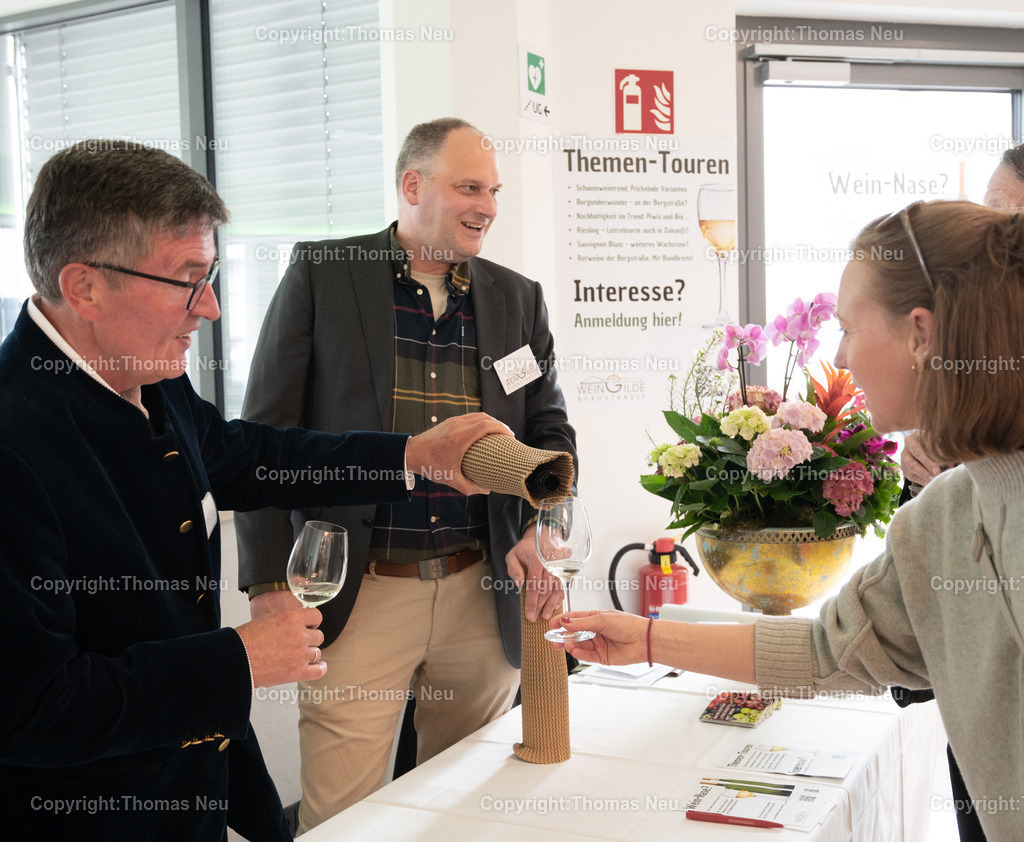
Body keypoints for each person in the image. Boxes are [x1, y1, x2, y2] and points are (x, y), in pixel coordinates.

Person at [0, 139, 508, 840]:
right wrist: (236, 659)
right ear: (84, 285)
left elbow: (252, 455)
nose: (208, 309)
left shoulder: (149, 375)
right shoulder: (15, 440)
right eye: (187, 279)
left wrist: (413, 456)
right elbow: (31, 710)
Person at [551, 200, 1024, 841]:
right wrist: (647, 640)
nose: (840, 355)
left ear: (922, 334)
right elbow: (828, 651)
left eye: (851, 328)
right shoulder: (938, 519)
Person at [235, 117, 577, 830]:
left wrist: (539, 528)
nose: (486, 204)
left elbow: (550, 434)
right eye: (468, 186)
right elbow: (263, 443)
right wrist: (267, 586)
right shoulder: (323, 276)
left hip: (481, 597)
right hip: (362, 593)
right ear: (412, 185)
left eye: (493, 190)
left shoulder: (519, 298)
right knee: (344, 816)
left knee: (469, 807)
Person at [902, 143, 1024, 489]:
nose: (994, 237)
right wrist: (924, 462)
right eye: (990, 216)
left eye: (1008, 221)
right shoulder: (974, 329)